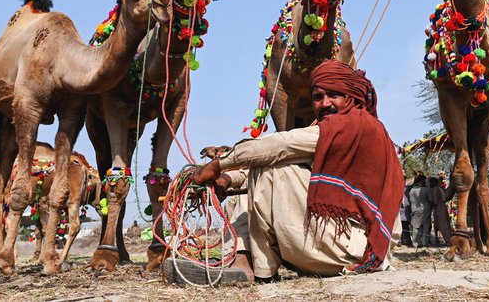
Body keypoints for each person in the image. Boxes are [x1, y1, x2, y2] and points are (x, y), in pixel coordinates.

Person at [167, 60, 404, 284]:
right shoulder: (335, 131)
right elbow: (272, 157)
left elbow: (280, 146)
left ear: (352, 97)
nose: (324, 104)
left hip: (358, 249)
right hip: (340, 244)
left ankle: (254, 267)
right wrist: (227, 180)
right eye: (318, 97)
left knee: (272, 168)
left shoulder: (355, 125)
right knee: (257, 178)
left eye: (333, 95)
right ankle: (241, 260)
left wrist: (216, 165)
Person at [409, 174, 431, 247]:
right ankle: (425, 243)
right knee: (426, 227)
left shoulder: (412, 190)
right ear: (422, 181)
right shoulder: (427, 189)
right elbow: (431, 200)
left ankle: (415, 243)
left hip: (414, 210)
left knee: (415, 227)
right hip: (425, 210)